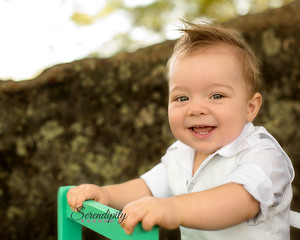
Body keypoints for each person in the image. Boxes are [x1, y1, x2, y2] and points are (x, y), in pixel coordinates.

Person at [67, 21, 294, 239]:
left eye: (216, 95)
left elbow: (239, 201)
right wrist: (107, 195)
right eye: (182, 97)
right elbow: (147, 188)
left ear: (250, 107)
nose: (195, 109)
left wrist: (173, 208)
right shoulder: (181, 153)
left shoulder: (263, 156)